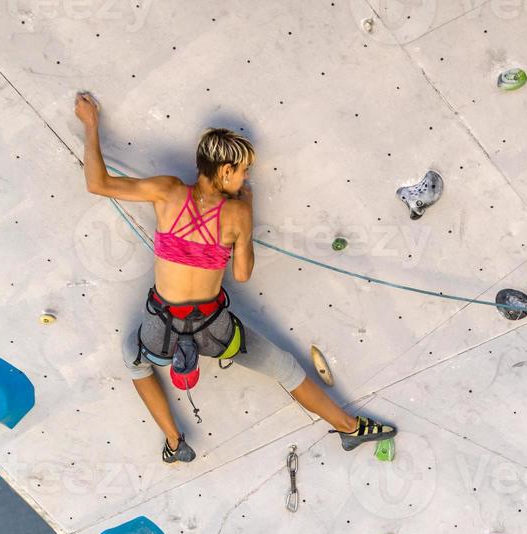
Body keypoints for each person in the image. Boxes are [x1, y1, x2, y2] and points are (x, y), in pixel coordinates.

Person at [74, 93, 397, 463]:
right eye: (243, 170)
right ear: (225, 171)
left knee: (134, 361)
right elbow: (242, 274)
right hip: (214, 330)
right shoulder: (238, 214)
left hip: (161, 327)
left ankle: (175, 443)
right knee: (285, 368)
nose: (246, 177)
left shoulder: (166, 191)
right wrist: (248, 210)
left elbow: (98, 183)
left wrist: (90, 123)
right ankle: (348, 427)